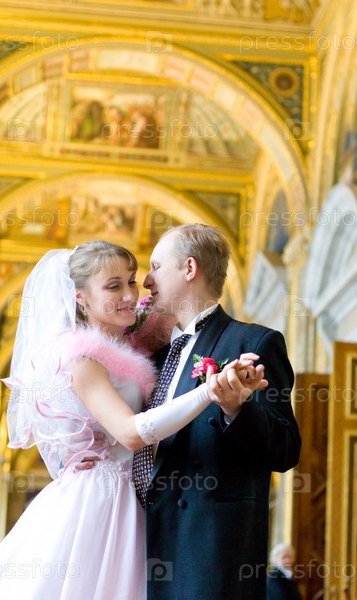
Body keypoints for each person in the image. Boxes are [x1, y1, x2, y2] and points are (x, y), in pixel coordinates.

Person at [0, 240, 266, 600]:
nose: (130, 294)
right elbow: (130, 433)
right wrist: (208, 391)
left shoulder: (134, 349)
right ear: (80, 297)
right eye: (113, 286)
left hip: (140, 498)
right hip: (101, 498)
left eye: (131, 280)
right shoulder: (82, 359)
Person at [132, 223, 301, 600]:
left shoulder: (254, 342)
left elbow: (286, 449)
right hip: (136, 546)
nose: (146, 281)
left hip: (206, 560)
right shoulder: (152, 356)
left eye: (156, 267)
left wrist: (237, 410)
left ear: (189, 269)